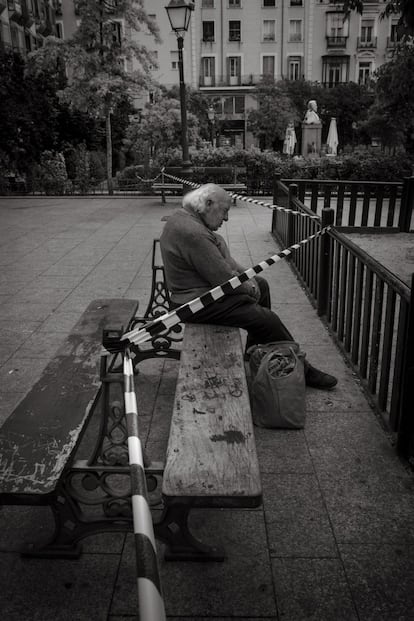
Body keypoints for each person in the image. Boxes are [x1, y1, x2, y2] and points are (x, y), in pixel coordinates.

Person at [160, 183, 337, 389]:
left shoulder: (186, 219)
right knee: (266, 319)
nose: (226, 218)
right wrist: (248, 288)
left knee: (262, 285)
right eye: (224, 211)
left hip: (202, 296)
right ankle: (303, 369)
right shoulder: (194, 233)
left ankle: (254, 352)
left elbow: (228, 266)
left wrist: (250, 280)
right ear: (208, 204)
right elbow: (225, 280)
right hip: (194, 305)